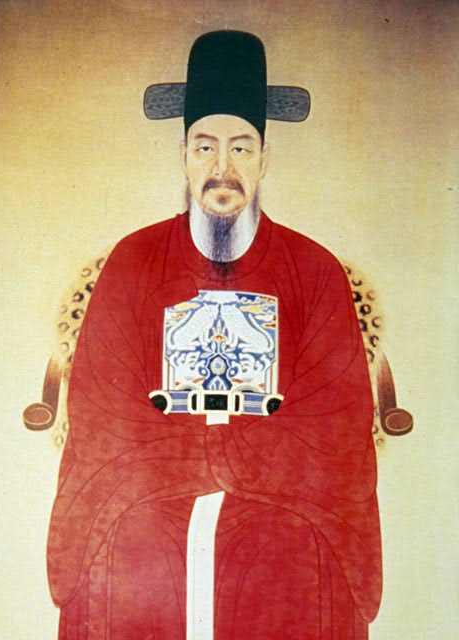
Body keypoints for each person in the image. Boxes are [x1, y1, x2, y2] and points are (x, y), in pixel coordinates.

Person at [47, 31, 382, 639]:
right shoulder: (134, 261)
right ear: (184, 156)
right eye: (205, 147)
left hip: (281, 502)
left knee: (288, 549)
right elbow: (103, 409)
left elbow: (335, 423)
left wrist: (224, 457)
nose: (221, 168)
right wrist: (203, 456)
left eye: (240, 147)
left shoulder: (314, 271)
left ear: (263, 159)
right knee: (126, 547)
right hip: (150, 493)